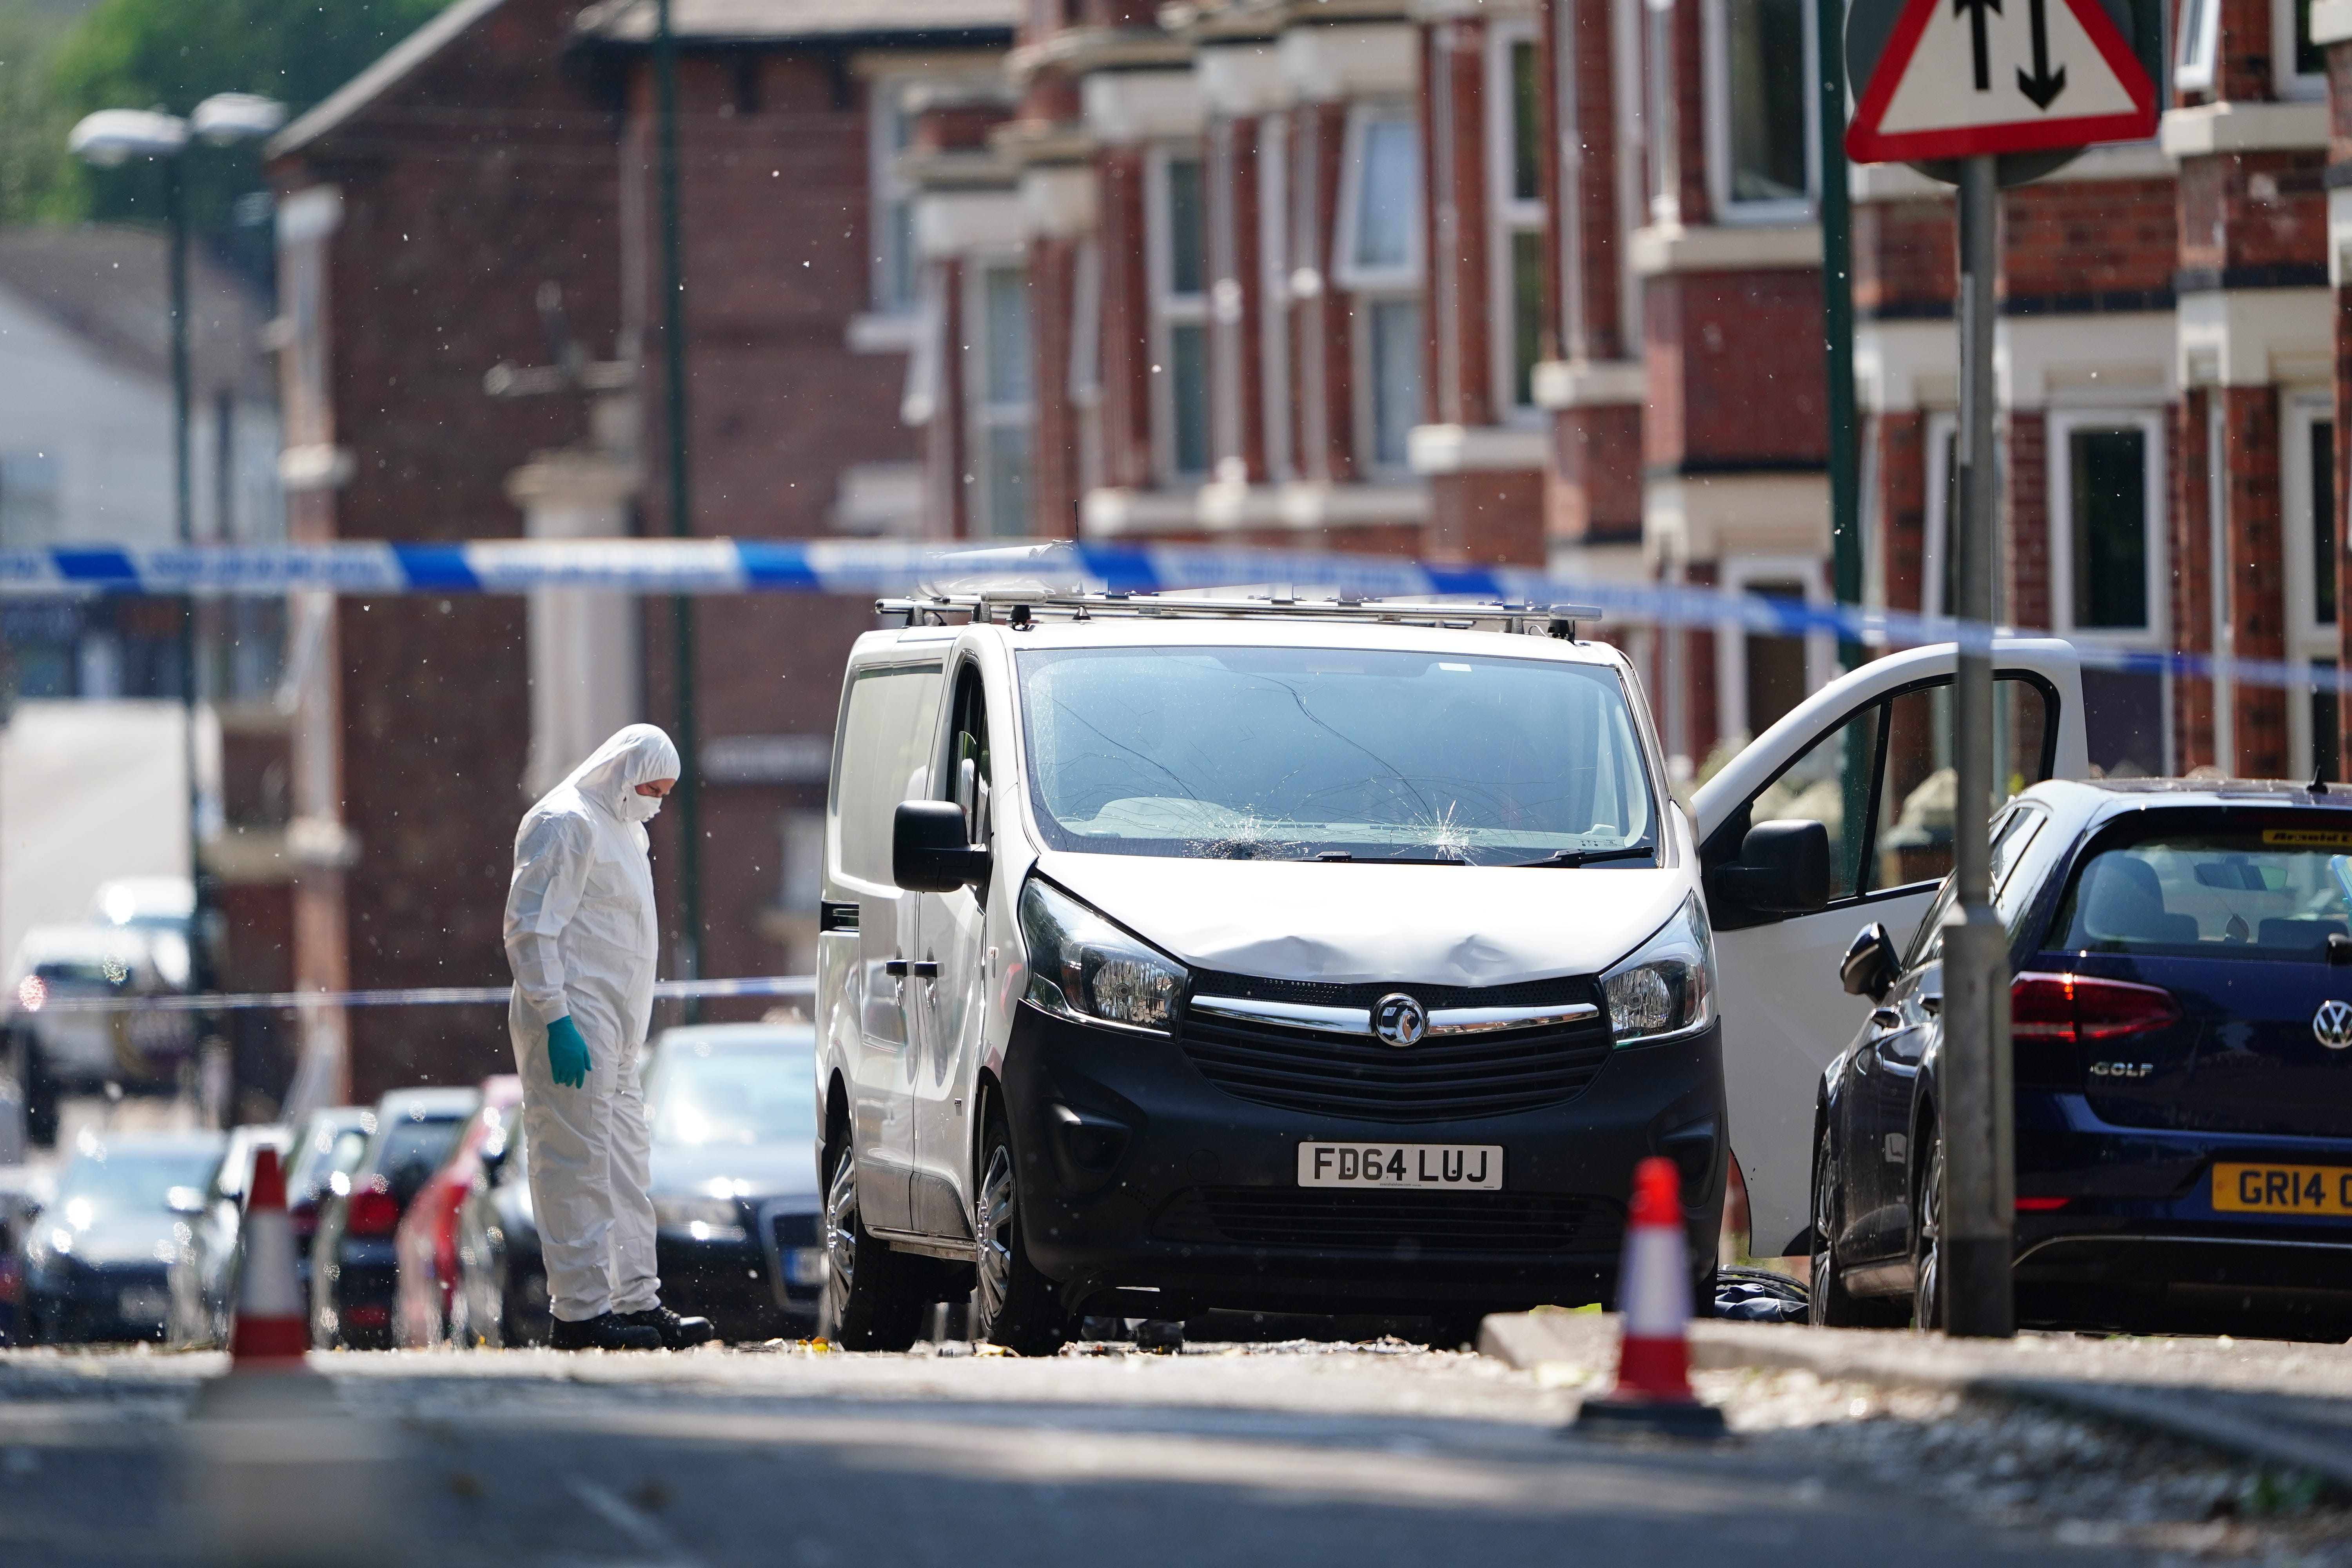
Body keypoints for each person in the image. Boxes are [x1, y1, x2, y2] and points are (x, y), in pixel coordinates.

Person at [504, 724, 715, 1351]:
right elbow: (531, 929)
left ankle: (635, 1300)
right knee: (575, 1164)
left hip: (617, 1032)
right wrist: (556, 1017)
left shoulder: (625, 829)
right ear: (623, 771)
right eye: (651, 785)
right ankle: (580, 1312)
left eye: (666, 791)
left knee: (625, 1166)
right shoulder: (564, 822)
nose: (656, 798)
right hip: (572, 1022)